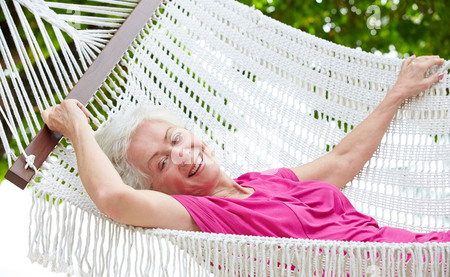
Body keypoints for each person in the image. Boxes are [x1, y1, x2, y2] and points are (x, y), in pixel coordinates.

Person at [41, 55, 449, 243]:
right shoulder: (202, 215)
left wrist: (397, 93)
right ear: (156, 190)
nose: (182, 154)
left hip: (421, 251)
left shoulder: (261, 183)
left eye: (176, 138)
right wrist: (79, 128)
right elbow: (114, 198)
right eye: (162, 161)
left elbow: (341, 160)